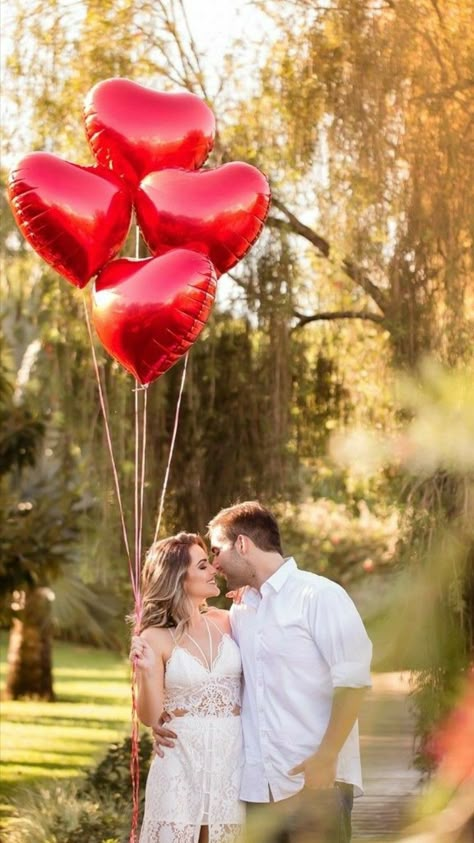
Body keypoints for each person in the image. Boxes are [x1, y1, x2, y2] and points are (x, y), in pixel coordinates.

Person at [154, 502, 372, 843]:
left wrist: (327, 755)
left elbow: (353, 682)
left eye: (216, 551)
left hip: (315, 780)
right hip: (256, 790)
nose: (214, 564)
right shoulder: (241, 610)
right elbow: (193, 648)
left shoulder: (320, 596)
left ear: (242, 545)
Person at [130, 531, 245, 843]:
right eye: (203, 566)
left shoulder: (228, 621)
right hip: (180, 761)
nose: (214, 571)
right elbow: (151, 716)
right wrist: (144, 670)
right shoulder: (156, 637)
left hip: (230, 759)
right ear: (180, 579)